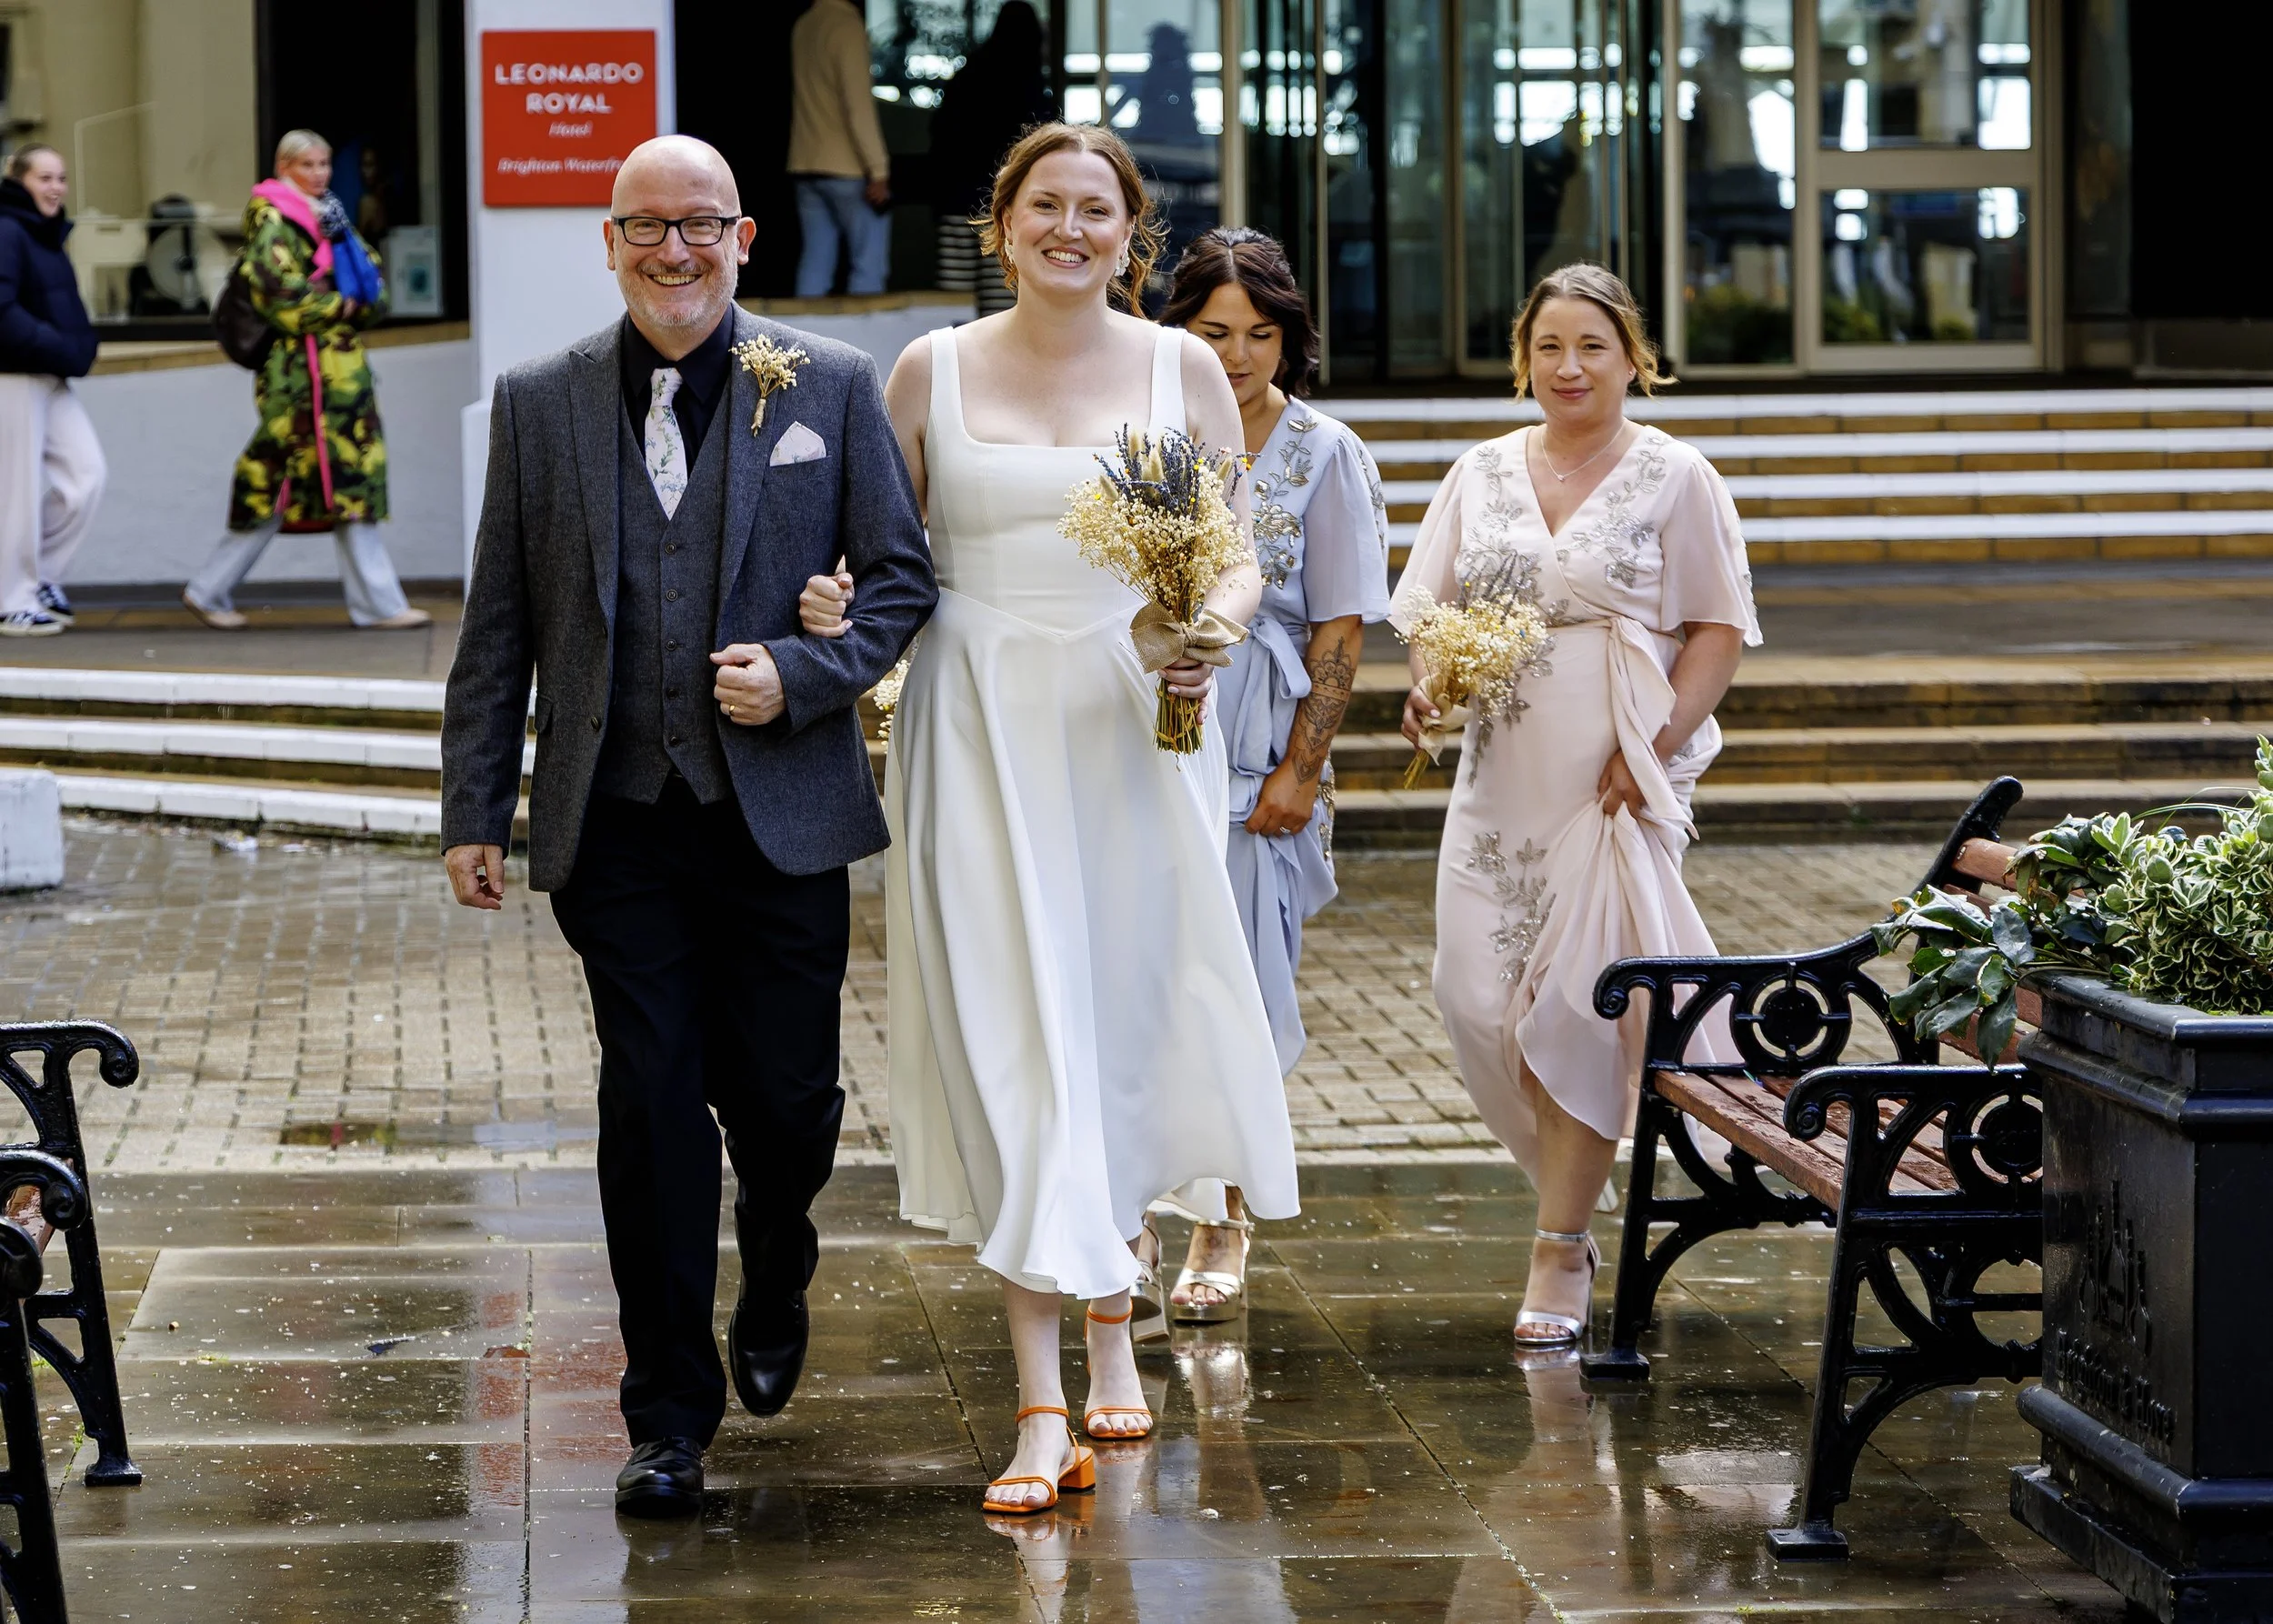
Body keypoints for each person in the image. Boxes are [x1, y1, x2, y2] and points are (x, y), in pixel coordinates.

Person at [800, 123, 1299, 1516]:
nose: (1069, 228)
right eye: (1044, 205)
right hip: (977, 727)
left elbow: (1240, 549)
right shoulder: (927, 372)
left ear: (1130, 237)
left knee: (1121, 1028)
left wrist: (1213, 626)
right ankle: (1038, 1403)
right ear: (1000, 223)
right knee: (1016, 1038)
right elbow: (873, 561)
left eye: (1097, 210)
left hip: (1136, 730)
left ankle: (1110, 1325)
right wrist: (833, 608)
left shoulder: (1182, 366)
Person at [438, 135, 936, 1519]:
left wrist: (809, 672)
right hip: (619, 825)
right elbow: (499, 627)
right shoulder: (538, 404)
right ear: (609, 243)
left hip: (781, 818)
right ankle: (665, 1413)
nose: (673, 251)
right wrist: (476, 804)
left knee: (785, 1107)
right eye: (645, 228)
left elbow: (900, 585)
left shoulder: (828, 385)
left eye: (698, 226)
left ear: (745, 236)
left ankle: (778, 1255)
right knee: (649, 1106)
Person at [1392, 264, 1756, 1347]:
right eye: (1548, 346)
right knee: (1473, 994)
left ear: (1632, 356)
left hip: (1611, 775)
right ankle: (1568, 1182)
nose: (1569, 366)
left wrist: (1652, 744)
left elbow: (1716, 632)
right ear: (1523, 358)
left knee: (1581, 1009)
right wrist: (1429, 681)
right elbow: (1430, 606)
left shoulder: (1674, 475)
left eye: (1592, 345)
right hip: (1499, 773)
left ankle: (1559, 1244)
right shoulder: (1480, 469)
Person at [1158, 227, 1388, 1322]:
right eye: (1214, 332)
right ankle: (1130, 1207)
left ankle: (1225, 1216)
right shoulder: (1147, 441)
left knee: (1242, 993)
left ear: (1290, 338)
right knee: (1149, 982)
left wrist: (1303, 770)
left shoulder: (1322, 451)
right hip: (1150, 743)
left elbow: (1342, 631)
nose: (1239, 354)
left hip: (1260, 756)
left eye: (1260, 334)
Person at [183, 129, 427, 632]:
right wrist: (345, 304)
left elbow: (377, 289)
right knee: (279, 477)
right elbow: (285, 302)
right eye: (307, 166)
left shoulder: (333, 217)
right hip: (298, 379)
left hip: (339, 376)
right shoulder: (272, 220)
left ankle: (375, 603)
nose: (319, 175)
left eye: (323, 165)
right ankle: (210, 590)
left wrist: (343, 301)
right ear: (284, 167)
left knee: (344, 481)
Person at [0, 144, 103, 637]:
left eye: (61, 178)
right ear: (19, 181)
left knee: (87, 477)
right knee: (16, 493)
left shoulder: (45, 235)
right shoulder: (6, 228)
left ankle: (39, 579)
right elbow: (3, 314)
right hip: (14, 376)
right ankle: (11, 598)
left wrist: (73, 349)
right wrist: (61, 348)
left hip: (49, 374)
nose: (56, 188)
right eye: (45, 178)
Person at [929, 1, 1053, 316]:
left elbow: (940, 134)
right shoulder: (1030, 84)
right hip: (1004, 208)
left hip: (957, 202)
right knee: (1001, 298)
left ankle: (952, 363)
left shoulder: (967, 77)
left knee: (953, 305)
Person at [789, 0, 893, 297]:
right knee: (868, 265)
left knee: (815, 263)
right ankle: (867, 342)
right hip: (847, 168)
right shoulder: (847, 26)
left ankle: (803, 341)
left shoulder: (804, 23)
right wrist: (879, 169)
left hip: (805, 162)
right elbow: (857, 107)